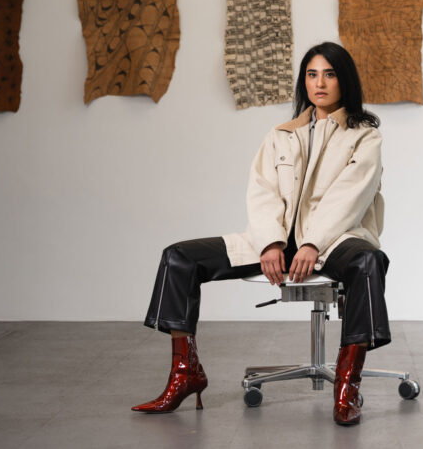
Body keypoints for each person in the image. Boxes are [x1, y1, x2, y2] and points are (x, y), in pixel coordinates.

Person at [131, 41, 390, 426]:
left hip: (336, 239)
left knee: (369, 262)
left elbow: (348, 197)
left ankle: (347, 386)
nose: (320, 83)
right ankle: (186, 374)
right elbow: (262, 190)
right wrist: (270, 242)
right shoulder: (281, 134)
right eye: (312, 74)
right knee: (179, 257)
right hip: (277, 239)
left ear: (344, 80)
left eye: (330, 74)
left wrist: (311, 243)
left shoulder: (365, 136)